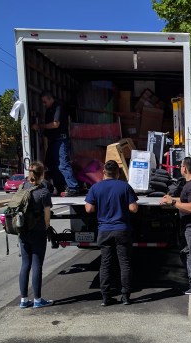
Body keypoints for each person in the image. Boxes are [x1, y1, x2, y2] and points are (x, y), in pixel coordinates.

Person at [85, 159, 139, 306]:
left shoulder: (96, 188)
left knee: (105, 264)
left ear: (104, 172)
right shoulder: (124, 186)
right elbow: (134, 208)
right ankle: (126, 296)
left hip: (104, 230)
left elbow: (89, 209)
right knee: (125, 263)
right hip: (122, 229)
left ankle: (106, 297)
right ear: (118, 173)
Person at [161, 156, 191, 296]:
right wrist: (170, 199)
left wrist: (173, 204)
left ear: (185, 168)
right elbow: (184, 200)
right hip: (188, 225)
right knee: (186, 253)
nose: (180, 168)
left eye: (181, 166)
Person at [18, 162, 54, 309]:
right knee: (37, 265)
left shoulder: (22, 188)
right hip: (38, 232)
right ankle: (38, 300)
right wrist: (47, 229)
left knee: (25, 265)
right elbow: (47, 217)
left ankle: (24, 300)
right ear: (42, 175)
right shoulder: (44, 192)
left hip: (23, 231)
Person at [32, 90, 80, 197]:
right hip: (53, 141)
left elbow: (55, 124)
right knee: (50, 163)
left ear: (50, 99)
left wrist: (40, 126)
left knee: (63, 164)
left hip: (60, 140)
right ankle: (60, 187)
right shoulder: (49, 110)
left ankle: (73, 187)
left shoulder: (58, 107)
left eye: (45, 102)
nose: (44, 105)